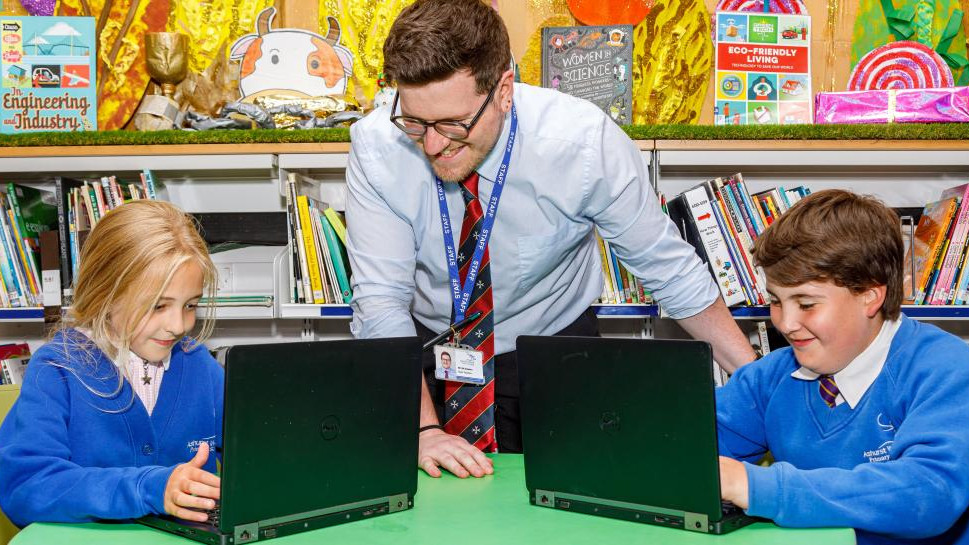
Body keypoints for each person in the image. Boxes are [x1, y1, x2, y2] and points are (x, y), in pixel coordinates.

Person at [345, 0, 756, 479]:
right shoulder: (376, 148)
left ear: (503, 90)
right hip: (424, 356)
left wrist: (758, 386)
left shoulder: (583, 143)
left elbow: (668, 269)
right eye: (415, 122)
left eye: (454, 123)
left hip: (555, 346)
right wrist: (423, 432)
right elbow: (380, 302)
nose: (433, 144)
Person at [717, 190, 969, 544]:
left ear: (870, 294)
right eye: (775, 301)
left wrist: (757, 486)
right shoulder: (771, 377)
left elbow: (931, 492)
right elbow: (687, 443)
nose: (785, 323)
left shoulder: (945, 369)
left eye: (806, 304)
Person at [0, 200, 224, 527]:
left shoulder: (200, 366)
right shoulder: (58, 370)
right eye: (158, 306)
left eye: (190, 305)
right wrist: (147, 488)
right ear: (105, 293)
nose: (178, 325)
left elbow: (258, 455)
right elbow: (25, 487)